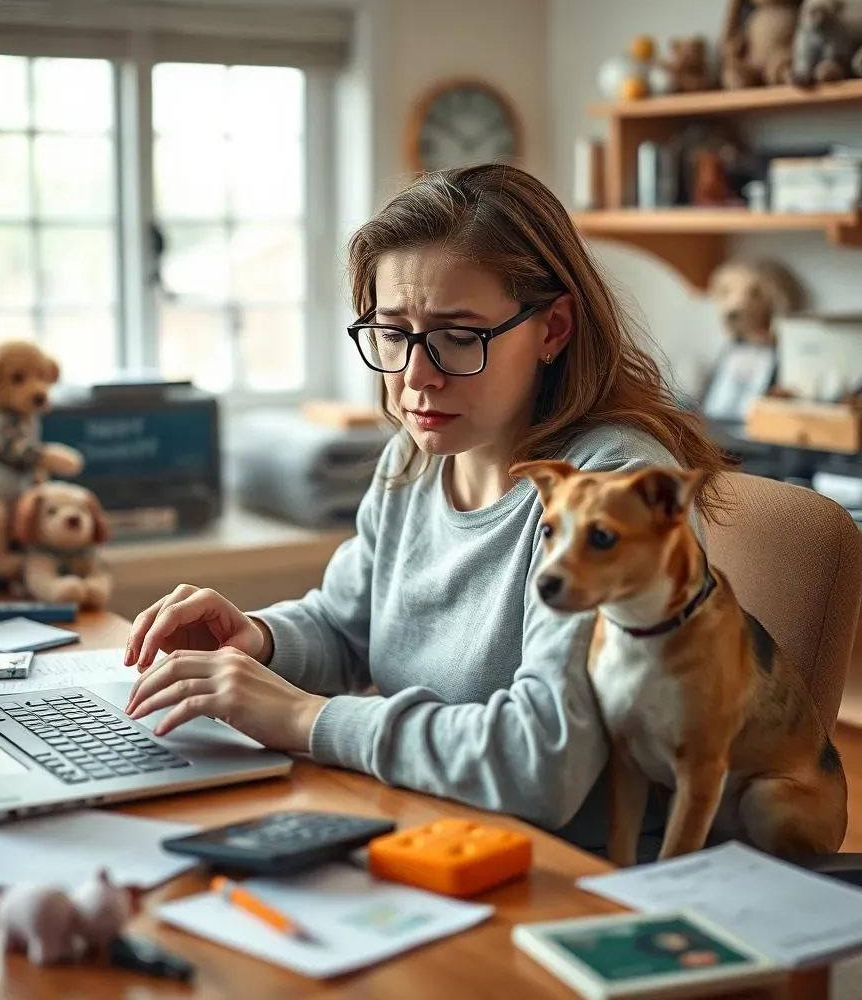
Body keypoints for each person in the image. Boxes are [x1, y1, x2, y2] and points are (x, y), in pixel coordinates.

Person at [122, 163, 733, 857]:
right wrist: (257, 640)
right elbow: (349, 627)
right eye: (393, 333)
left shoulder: (613, 489)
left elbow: (544, 761)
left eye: (456, 336)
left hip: (581, 879)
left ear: (553, 329)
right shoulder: (417, 456)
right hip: (436, 833)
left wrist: (305, 718)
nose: (415, 376)